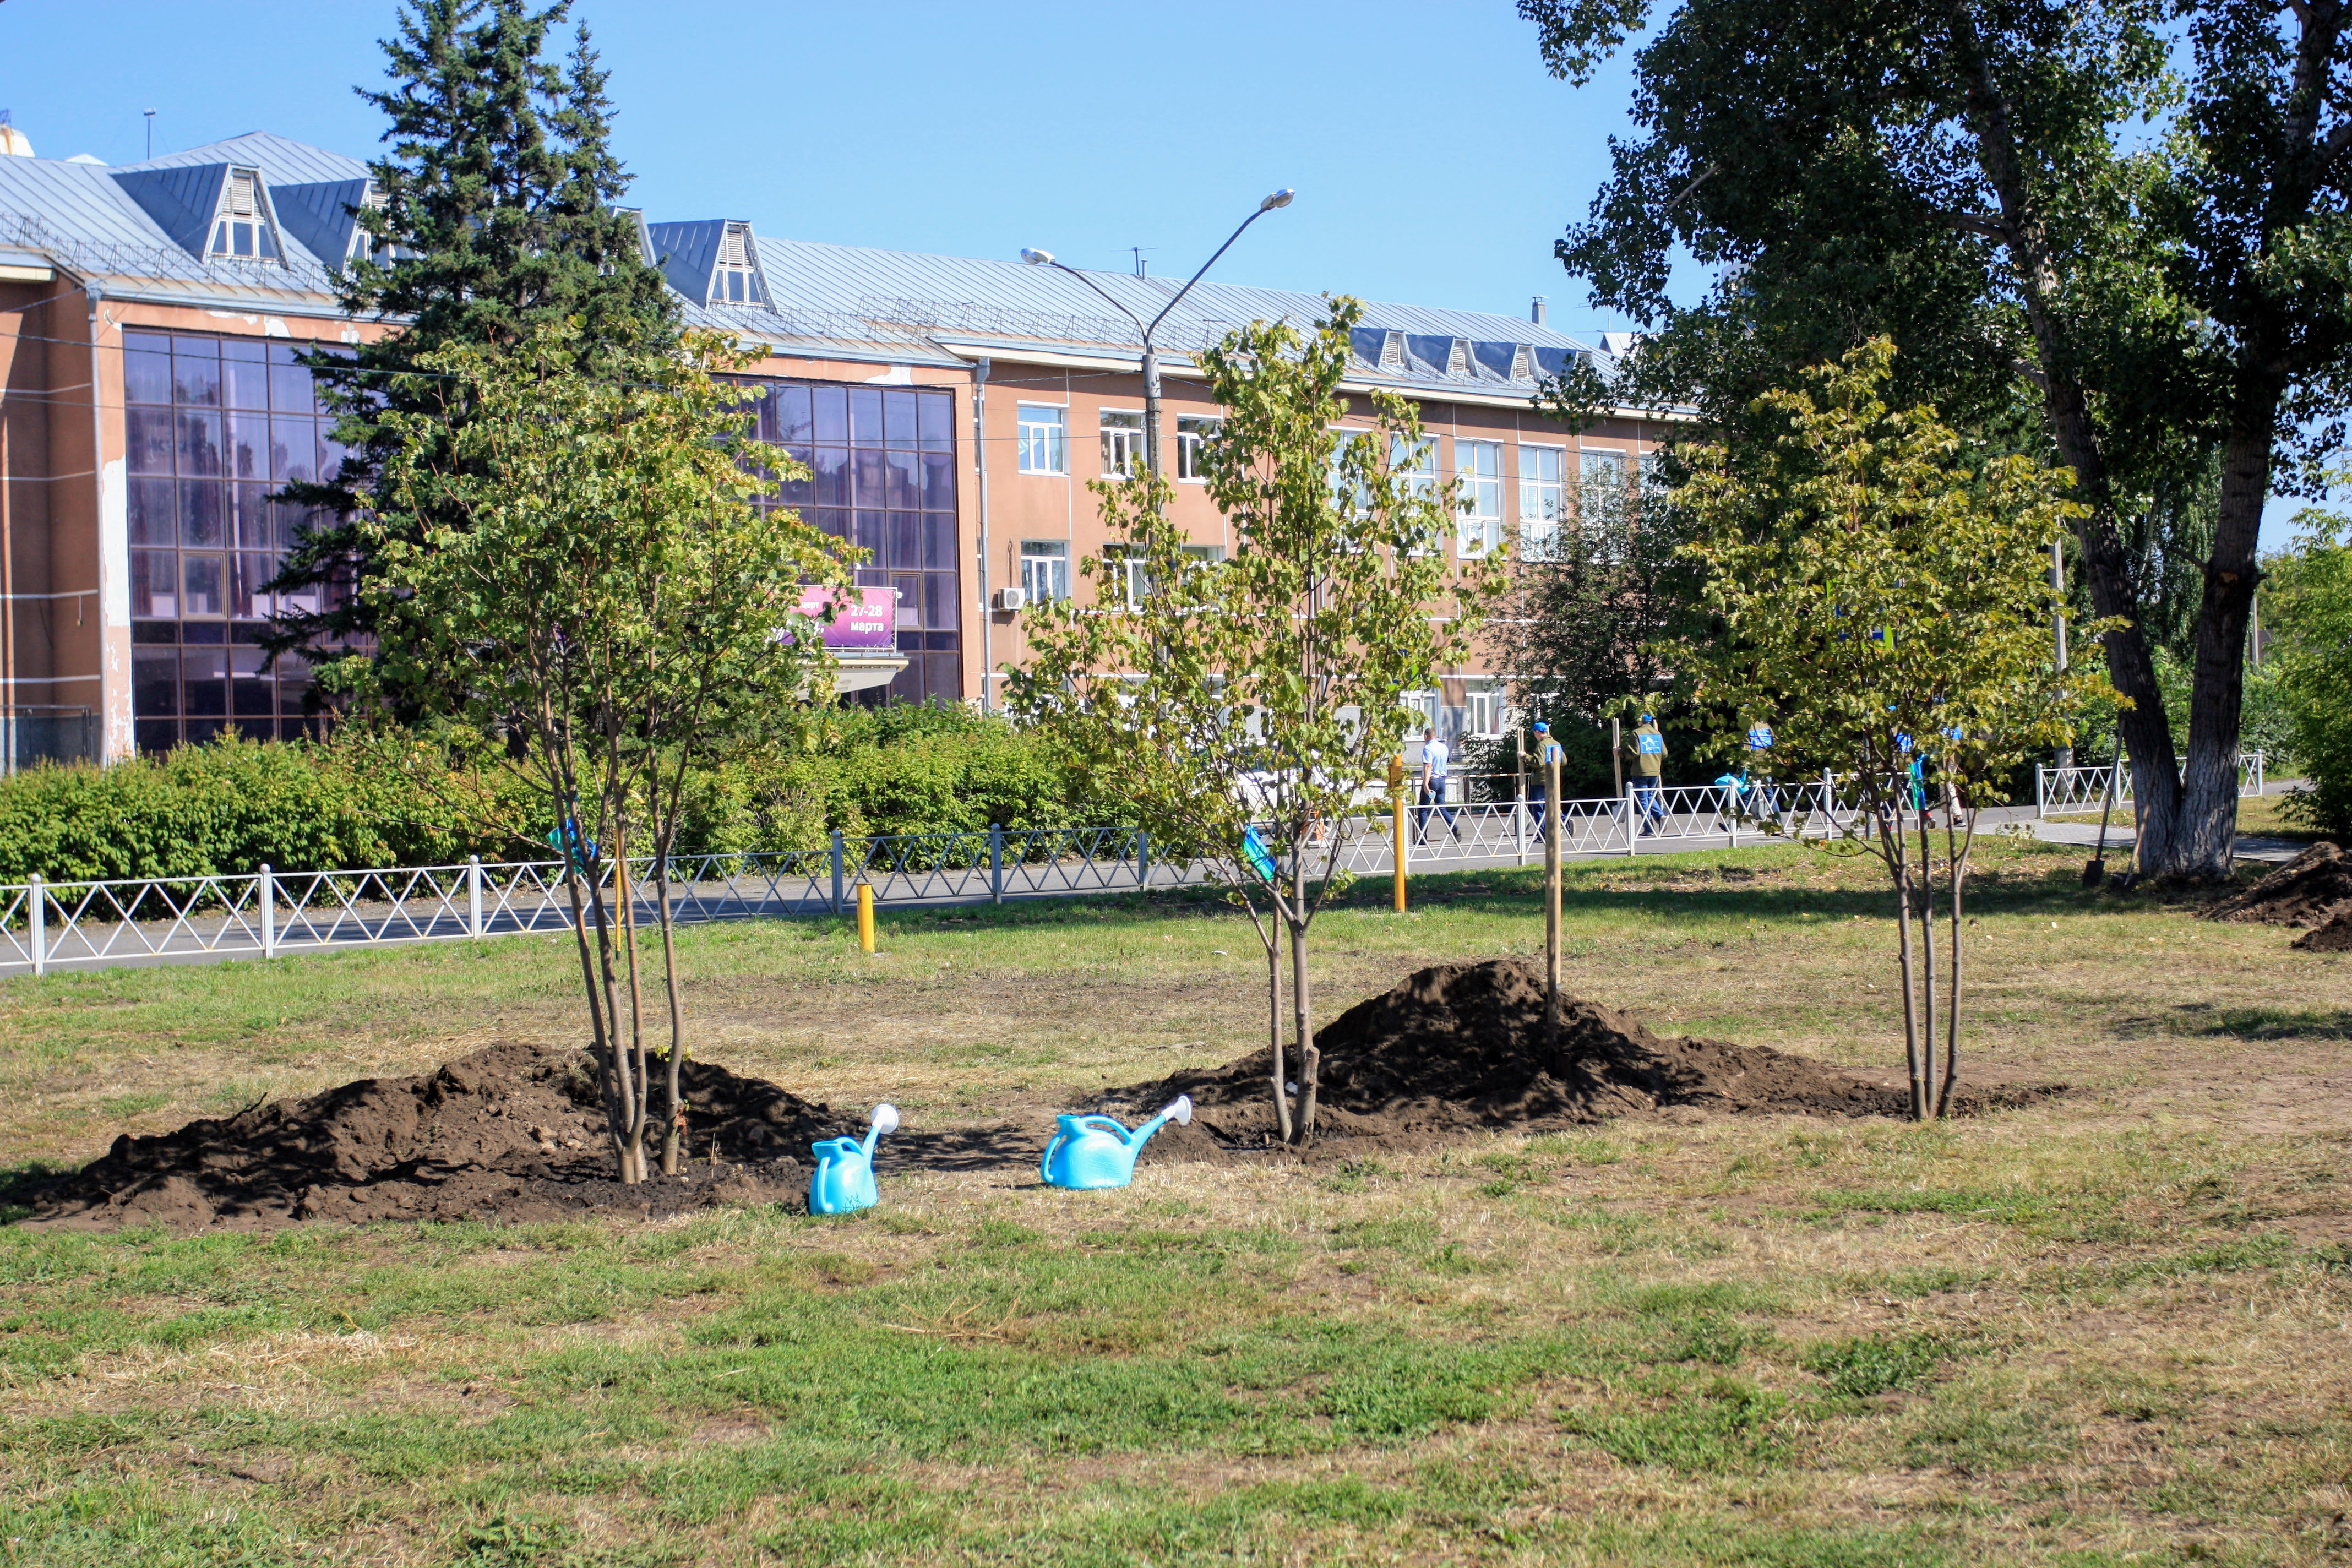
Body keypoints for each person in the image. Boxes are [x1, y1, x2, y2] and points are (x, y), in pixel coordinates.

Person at [1627, 711, 1668, 833]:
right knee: (1650, 796)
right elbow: (1665, 753)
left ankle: (1649, 828)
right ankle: (1660, 816)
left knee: (1643, 800)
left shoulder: (1636, 733)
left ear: (1640, 721)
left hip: (1641, 771)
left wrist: (1620, 752)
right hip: (1655, 770)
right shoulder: (1657, 734)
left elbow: (1634, 752)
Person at [1529, 720, 1566, 840]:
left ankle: (1543, 834)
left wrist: (1525, 756)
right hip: (1554, 779)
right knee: (1553, 804)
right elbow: (1564, 761)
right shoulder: (1556, 743)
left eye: (1534, 733)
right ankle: (1565, 820)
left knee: (1538, 807)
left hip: (1540, 780)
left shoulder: (1542, 745)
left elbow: (1538, 762)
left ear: (1537, 732)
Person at [1418, 727, 1456, 838]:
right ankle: (1454, 826)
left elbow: (1428, 766)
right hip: (1442, 780)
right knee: (1441, 808)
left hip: (1432, 780)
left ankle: (1423, 837)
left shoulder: (1428, 748)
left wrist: (1426, 784)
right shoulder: (1444, 747)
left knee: (1423, 809)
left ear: (1426, 736)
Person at [1746, 719, 1780, 819]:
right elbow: (1775, 743)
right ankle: (1778, 822)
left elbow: (1746, 750)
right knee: (1770, 795)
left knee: (1747, 795)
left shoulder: (1748, 727)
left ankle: (1735, 823)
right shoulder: (1766, 725)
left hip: (1754, 766)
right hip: (1766, 766)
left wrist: (1741, 769)